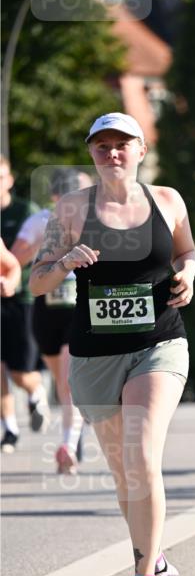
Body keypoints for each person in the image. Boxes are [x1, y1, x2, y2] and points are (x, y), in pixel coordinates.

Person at [29, 112, 195, 576]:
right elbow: (35, 281)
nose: (112, 153)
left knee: (142, 454)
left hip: (159, 344)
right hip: (94, 353)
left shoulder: (167, 201)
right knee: (126, 477)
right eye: (101, 146)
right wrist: (64, 264)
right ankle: (161, 566)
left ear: (141, 149)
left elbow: (187, 251)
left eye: (122, 144)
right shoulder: (73, 209)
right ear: (92, 155)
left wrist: (188, 274)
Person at [12, 169, 85, 472]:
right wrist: (40, 246)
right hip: (46, 306)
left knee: (69, 381)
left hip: (78, 304)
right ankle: (76, 432)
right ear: (54, 196)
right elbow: (14, 259)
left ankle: (68, 442)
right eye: (62, 195)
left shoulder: (90, 219)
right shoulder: (39, 221)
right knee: (60, 381)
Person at [1, 154, 49, 453]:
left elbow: (20, 259)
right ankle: (9, 429)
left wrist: (11, 280)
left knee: (19, 372)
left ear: (9, 179)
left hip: (21, 298)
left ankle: (36, 394)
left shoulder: (25, 211)